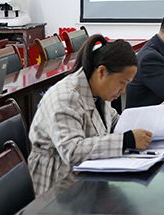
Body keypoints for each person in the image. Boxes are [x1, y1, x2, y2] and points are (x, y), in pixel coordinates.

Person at [27, 35, 153, 194]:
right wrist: (127, 140)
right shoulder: (65, 97)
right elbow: (72, 151)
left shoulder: (97, 90)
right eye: (122, 82)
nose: (123, 91)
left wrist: (149, 121)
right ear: (102, 72)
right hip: (58, 184)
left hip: (86, 175)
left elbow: (114, 121)